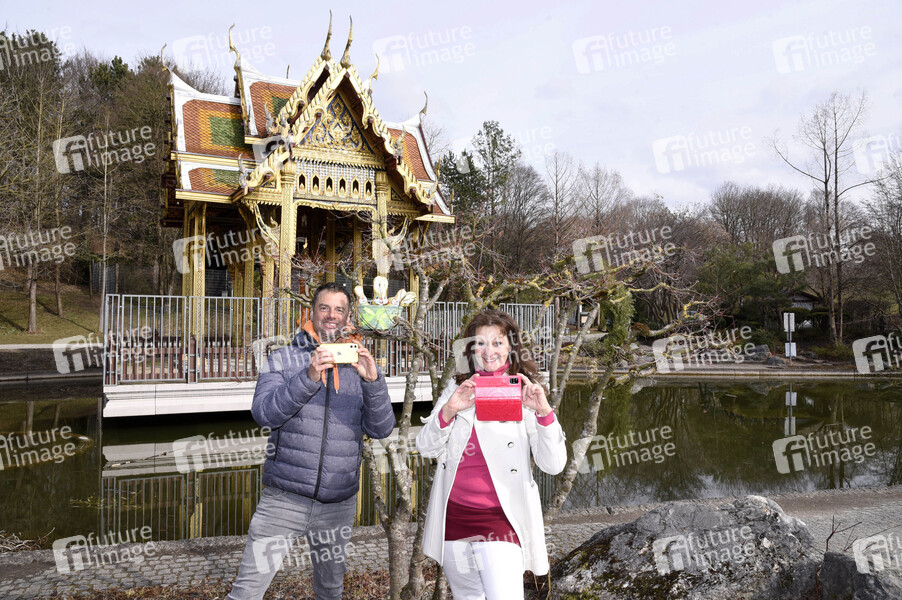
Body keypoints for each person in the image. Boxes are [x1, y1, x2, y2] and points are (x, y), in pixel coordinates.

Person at [226, 282, 395, 600]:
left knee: (330, 591)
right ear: (311, 312)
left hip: (338, 502)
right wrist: (308, 377)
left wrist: (373, 382)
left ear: (348, 317)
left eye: (339, 309)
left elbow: (382, 429)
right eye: (324, 308)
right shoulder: (282, 359)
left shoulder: (359, 363)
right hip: (284, 499)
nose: (332, 315)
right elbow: (265, 414)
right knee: (247, 590)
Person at [416, 309, 567, 600]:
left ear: (511, 347)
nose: (489, 352)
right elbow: (426, 448)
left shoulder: (525, 390)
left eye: (497, 343)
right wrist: (449, 410)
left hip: (501, 520)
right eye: (480, 343)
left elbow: (554, 464)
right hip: (454, 520)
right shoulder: (457, 388)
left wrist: (544, 413)